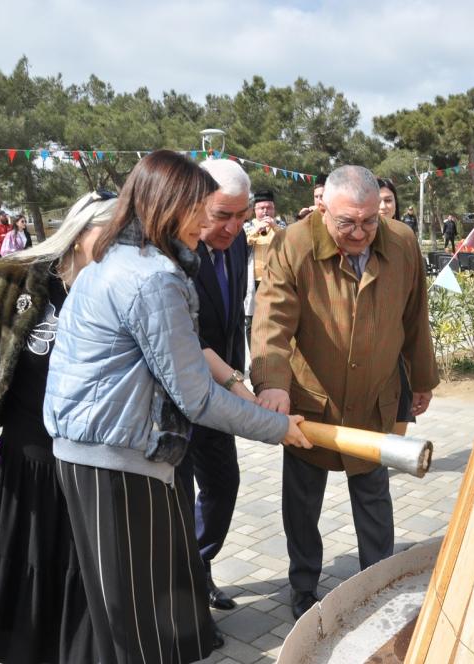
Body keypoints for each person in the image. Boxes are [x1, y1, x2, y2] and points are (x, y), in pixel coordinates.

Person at [43, 150, 311, 664]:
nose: (207, 223)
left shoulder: (117, 261)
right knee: (138, 616)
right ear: (168, 206)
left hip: (97, 450)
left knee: (115, 606)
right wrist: (277, 427)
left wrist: (242, 389)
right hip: (117, 460)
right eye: (199, 208)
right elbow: (195, 397)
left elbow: (188, 360)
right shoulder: (153, 278)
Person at [250, 165, 439, 620]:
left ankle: (378, 585)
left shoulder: (402, 242)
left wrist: (422, 379)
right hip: (312, 402)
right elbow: (272, 320)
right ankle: (303, 587)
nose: (359, 233)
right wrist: (272, 384)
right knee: (302, 504)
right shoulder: (293, 244)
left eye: (369, 221)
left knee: (374, 498)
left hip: (374, 399)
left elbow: (415, 317)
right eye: (346, 223)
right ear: (322, 208)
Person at [0, 191, 119, 664]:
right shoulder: (15, 274)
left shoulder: (121, 285)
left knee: (83, 569)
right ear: (80, 230)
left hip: (94, 459)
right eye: (111, 232)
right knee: (24, 559)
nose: (119, 244)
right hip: (28, 457)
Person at [173, 159, 252, 650]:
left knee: (223, 486)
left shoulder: (237, 243)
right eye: (223, 215)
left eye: (242, 216)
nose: (233, 228)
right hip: (177, 400)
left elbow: (231, 320)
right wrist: (238, 386)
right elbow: (189, 338)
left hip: (222, 395)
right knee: (179, 497)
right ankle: (185, 598)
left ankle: (198, 565)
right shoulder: (171, 252)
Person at [377, 177, 416, 436]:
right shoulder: (357, 241)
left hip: (399, 335)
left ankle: (393, 450)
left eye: (388, 200)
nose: (383, 206)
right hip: (371, 340)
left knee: (402, 403)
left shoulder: (405, 237)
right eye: (378, 201)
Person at [243, 189, 285, 348]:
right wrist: (256, 230)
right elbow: (241, 245)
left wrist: (274, 227)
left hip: (274, 279)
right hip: (253, 281)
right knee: (251, 320)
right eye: (261, 208)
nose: (265, 211)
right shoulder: (247, 226)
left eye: (269, 208)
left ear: (274, 209)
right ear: (255, 210)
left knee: (274, 318)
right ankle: (254, 353)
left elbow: (289, 242)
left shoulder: (280, 225)